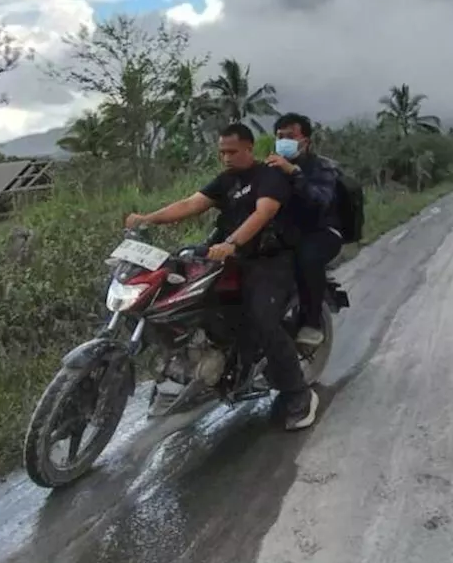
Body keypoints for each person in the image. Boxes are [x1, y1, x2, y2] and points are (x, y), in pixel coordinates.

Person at [125, 123, 319, 432]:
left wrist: (232, 243)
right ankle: (192, 372)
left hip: (267, 260)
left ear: (248, 149)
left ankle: (298, 393)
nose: (226, 158)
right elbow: (191, 203)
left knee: (263, 319)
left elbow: (263, 213)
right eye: (221, 153)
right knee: (182, 297)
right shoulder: (226, 180)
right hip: (229, 257)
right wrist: (148, 219)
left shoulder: (269, 176)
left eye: (231, 152)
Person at [266, 112, 343, 348]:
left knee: (307, 257)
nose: (284, 141)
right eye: (280, 136)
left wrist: (294, 173)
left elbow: (320, 200)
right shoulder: (271, 167)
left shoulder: (322, 168)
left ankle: (312, 322)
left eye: (290, 136)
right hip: (286, 232)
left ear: (306, 141)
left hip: (322, 231)